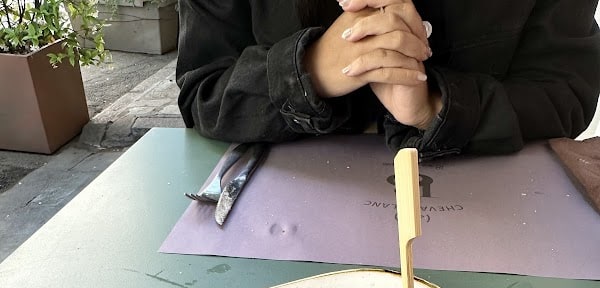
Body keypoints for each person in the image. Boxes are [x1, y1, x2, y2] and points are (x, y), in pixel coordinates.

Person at [176, 0, 600, 159]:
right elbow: (203, 91)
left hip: (499, 226)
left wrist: (437, 106)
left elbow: (566, 92)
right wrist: (310, 71)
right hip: (269, 233)